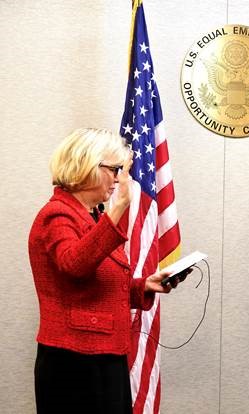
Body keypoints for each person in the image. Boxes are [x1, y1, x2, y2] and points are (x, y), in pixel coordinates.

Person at [28, 128, 180, 414]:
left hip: (104, 355)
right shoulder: (57, 215)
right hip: (74, 361)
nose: (120, 179)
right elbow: (75, 264)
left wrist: (143, 286)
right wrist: (119, 207)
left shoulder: (93, 216)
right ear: (86, 167)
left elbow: (100, 284)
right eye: (115, 169)